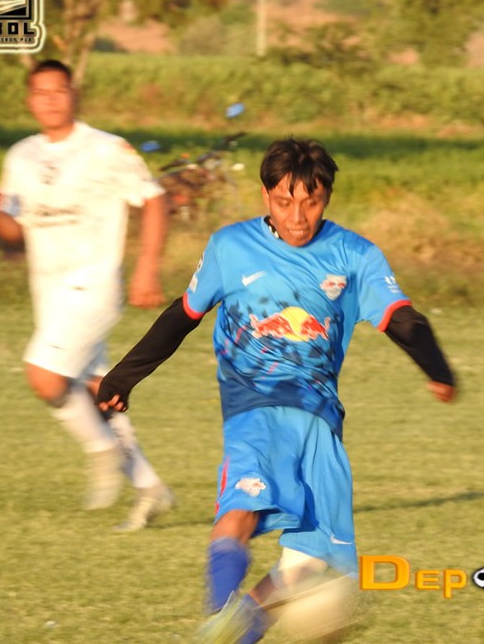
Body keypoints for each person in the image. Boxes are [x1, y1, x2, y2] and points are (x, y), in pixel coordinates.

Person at [94, 137, 456, 642]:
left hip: (321, 420)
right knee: (242, 507)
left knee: (309, 568)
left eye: (311, 201)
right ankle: (219, 614)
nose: (298, 217)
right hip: (254, 407)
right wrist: (124, 376)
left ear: (327, 197)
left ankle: (226, 631)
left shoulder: (354, 255)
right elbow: (183, 315)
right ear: (266, 196)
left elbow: (403, 319)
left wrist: (437, 368)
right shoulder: (231, 247)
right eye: (285, 202)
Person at [0, 59, 175, 531]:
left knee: (44, 377)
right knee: (96, 391)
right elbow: (14, 234)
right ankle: (150, 488)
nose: (50, 100)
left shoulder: (106, 148)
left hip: (95, 284)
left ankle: (102, 451)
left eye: (59, 90)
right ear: (29, 100)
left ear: (74, 94)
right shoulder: (21, 156)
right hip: (49, 293)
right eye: (40, 92)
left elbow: (155, 200)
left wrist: (146, 268)